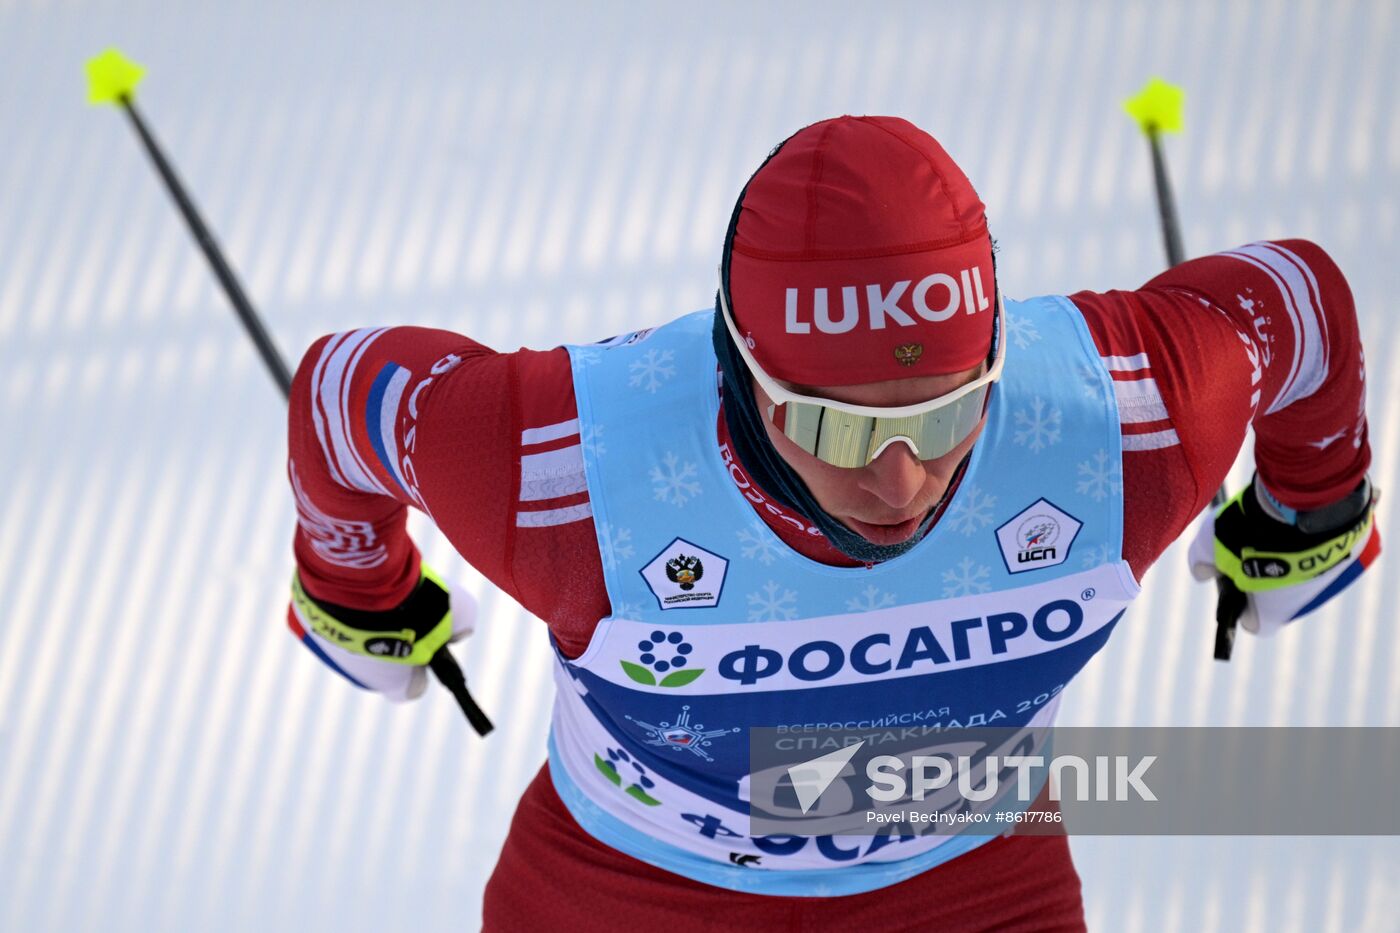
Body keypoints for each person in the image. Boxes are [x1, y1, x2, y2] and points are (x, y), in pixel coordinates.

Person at [283, 116, 1380, 931]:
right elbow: (337, 396)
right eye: (835, 427)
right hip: (631, 883)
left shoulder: (1123, 421)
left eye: (950, 413)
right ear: (738, 369)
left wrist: (1312, 507)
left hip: (967, 872)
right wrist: (355, 590)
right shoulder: (558, 462)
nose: (901, 481)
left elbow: (1301, 301)